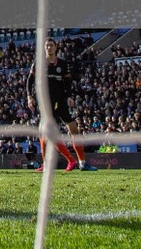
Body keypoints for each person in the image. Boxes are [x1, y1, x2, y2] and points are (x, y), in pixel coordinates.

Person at [26, 37, 95, 172]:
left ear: (56, 47)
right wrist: (29, 97)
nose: (49, 48)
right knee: (45, 134)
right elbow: (30, 81)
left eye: (51, 45)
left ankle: (82, 163)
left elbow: (68, 83)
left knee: (73, 129)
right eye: (46, 46)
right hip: (46, 103)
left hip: (61, 101)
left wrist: (69, 96)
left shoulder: (63, 64)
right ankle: (62, 162)